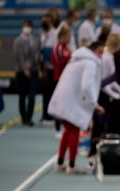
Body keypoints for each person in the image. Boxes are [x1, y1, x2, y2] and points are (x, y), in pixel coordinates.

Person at [48, 41, 105, 175]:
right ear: (95, 50)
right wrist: (94, 104)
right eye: (101, 52)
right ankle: (71, 165)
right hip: (72, 101)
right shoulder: (90, 63)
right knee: (73, 130)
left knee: (67, 130)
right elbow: (86, 86)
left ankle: (60, 162)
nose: (102, 55)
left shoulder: (76, 59)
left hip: (63, 98)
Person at [13, 19, 40, 127]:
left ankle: (29, 117)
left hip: (33, 70)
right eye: (25, 26)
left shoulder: (35, 40)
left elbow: (36, 55)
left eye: (28, 26)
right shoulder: (18, 40)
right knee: (22, 95)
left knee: (32, 96)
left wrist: (34, 68)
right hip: (21, 72)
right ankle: (24, 117)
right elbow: (18, 57)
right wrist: (24, 69)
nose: (27, 28)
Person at [51, 26, 72, 135]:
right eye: (68, 36)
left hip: (67, 79)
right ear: (62, 36)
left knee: (66, 104)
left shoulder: (66, 47)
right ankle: (57, 128)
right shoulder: (58, 48)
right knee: (59, 104)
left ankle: (64, 126)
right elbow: (59, 63)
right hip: (59, 79)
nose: (69, 39)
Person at [40, 14, 57, 126]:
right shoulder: (42, 34)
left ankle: (52, 115)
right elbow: (41, 49)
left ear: (50, 22)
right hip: (44, 67)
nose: (44, 23)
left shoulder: (55, 33)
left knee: (52, 92)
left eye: (46, 21)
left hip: (53, 67)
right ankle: (45, 115)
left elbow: (54, 51)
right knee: (45, 92)